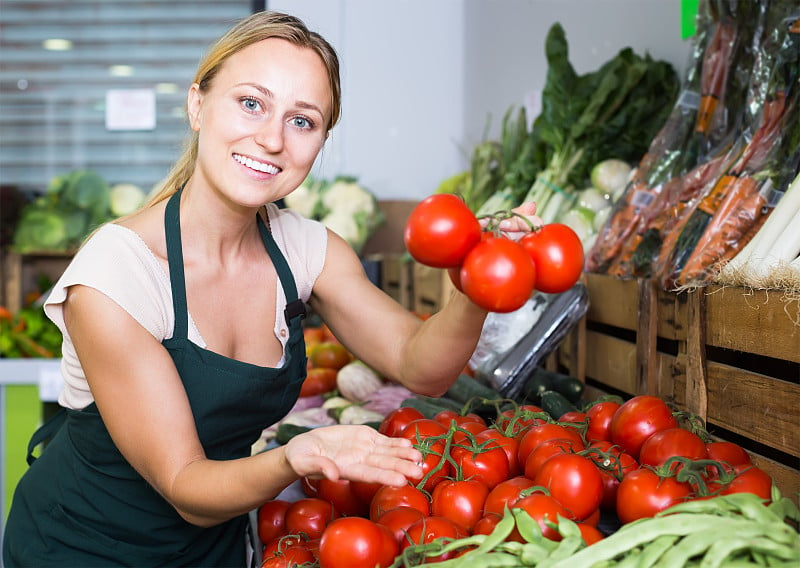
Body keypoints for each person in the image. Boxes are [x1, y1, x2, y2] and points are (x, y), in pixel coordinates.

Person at [2, 10, 539, 567]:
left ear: (320, 141)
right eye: (251, 103)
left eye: (302, 121)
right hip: (81, 548)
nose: (271, 139)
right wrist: (294, 457)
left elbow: (419, 364)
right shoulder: (119, 274)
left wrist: (479, 279)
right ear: (197, 105)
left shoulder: (307, 250)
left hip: (217, 547)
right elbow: (186, 485)